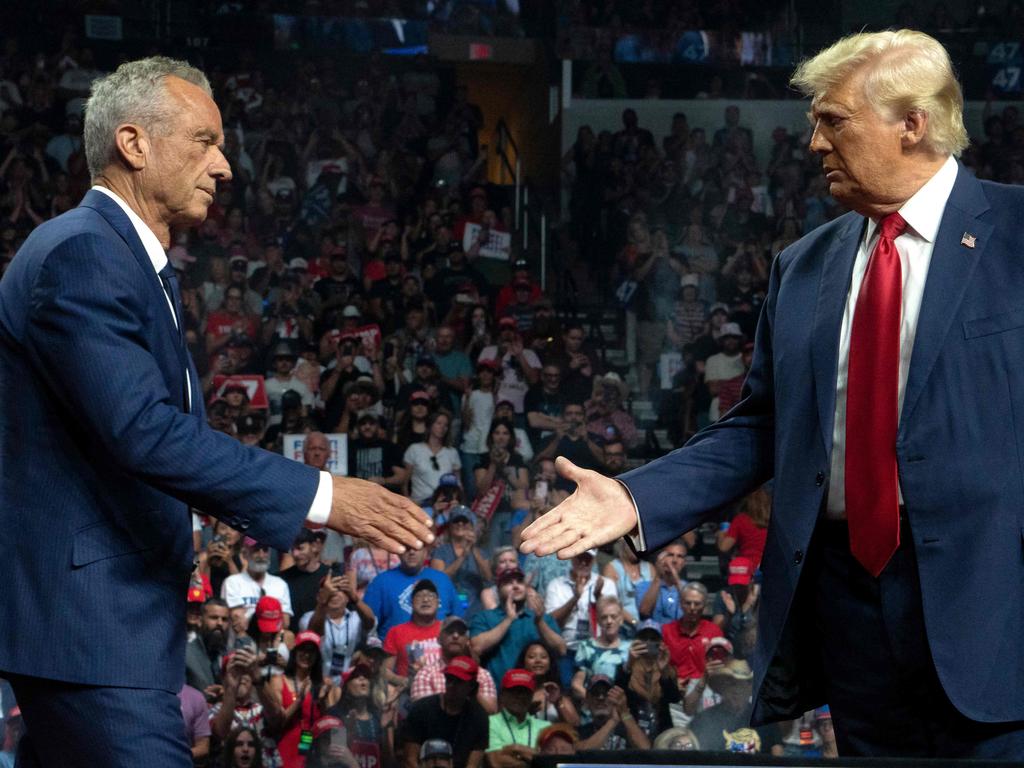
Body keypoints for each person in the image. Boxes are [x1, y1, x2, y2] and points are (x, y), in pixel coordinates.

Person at [521, 29, 1024, 759]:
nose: (814, 143)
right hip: (853, 619)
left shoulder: (1015, 232)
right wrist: (637, 499)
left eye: (834, 120)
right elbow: (760, 427)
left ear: (913, 122)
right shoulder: (806, 265)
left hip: (996, 612)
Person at [0, 56, 432, 767]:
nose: (225, 167)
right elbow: (143, 431)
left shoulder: (123, 261)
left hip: (108, 626)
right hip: (93, 629)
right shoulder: (85, 253)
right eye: (205, 141)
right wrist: (324, 495)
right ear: (134, 144)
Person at [469, 567, 566, 683]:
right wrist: (508, 619)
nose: (516, 586)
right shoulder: (485, 617)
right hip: (497, 693)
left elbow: (561, 649)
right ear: (498, 590)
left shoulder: (542, 618)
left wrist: (540, 623)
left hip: (536, 693)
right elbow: (477, 647)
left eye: (520, 581)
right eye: (508, 583)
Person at [399, 656, 488, 768]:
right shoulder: (421, 709)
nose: (451, 685)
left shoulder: (479, 717)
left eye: (459, 681)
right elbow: (410, 760)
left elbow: (472, 765)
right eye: (449, 679)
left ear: (471, 686)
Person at [689, 660, 782, 755]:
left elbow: (777, 751)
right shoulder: (704, 720)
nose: (737, 690)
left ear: (750, 690)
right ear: (722, 688)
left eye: (742, 685)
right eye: (732, 684)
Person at [362, 547, 458, 638]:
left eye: (416, 548)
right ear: (399, 552)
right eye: (407, 548)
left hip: (438, 650)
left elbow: (457, 619)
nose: (411, 552)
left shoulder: (442, 580)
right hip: (393, 652)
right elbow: (367, 624)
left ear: (425, 552)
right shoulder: (381, 582)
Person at [410, 615, 498, 714]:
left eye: (461, 633)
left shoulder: (482, 675)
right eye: (449, 632)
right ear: (439, 639)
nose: (456, 636)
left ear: (467, 641)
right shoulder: (425, 674)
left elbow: (491, 711)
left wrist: (472, 681)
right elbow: (421, 712)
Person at [382, 579, 443, 681]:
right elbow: (385, 670)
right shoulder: (396, 632)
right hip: (407, 691)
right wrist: (402, 682)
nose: (426, 600)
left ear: (438, 602)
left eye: (431, 595)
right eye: (419, 596)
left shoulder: (446, 630)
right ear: (411, 602)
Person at [486, 669, 548, 763]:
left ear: (531, 695)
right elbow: (496, 762)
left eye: (524, 692)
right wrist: (537, 759)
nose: (519, 696)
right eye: (514, 691)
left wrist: (515, 749)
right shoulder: (490, 723)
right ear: (503, 694)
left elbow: (552, 761)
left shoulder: (545, 727)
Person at [280, 529, 331, 633]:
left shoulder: (329, 575)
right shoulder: (283, 579)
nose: (295, 554)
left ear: (314, 546)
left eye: (300, 548)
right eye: (292, 549)